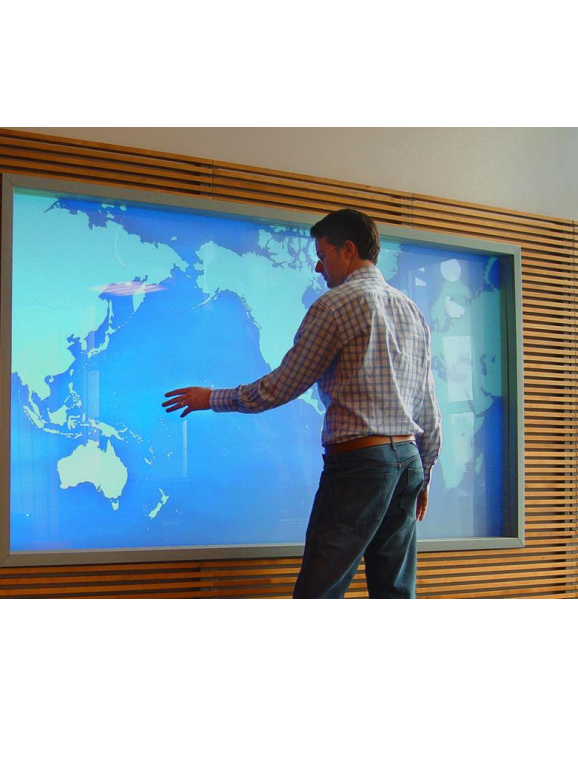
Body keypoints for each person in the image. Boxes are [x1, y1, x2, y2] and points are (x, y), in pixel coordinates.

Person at [162, 208, 441, 599]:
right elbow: (429, 409)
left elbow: (281, 386)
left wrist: (211, 398)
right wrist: (423, 476)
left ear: (348, 250)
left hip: (360, 464)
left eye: (323, 255)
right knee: (394, 593)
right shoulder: (412, 311)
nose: (317, 266)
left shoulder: (335, 306)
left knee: (319, 591)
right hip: (407, 463)